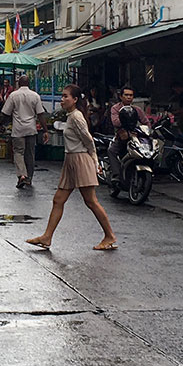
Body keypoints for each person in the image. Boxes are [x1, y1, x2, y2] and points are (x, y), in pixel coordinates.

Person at [26, 85, 118, 251]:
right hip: (70, 160)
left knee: (91, 201)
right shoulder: (71, 116)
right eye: (61, 96)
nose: (62, 99)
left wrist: (95, 161)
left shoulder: (76, 117)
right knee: (58, 200)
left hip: (81, 159)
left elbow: (88, 140)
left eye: (65, 96)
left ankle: (109, 235)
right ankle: (47, 237)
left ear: (75, 100)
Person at [0, 75, 48, 188]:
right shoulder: (35, 96)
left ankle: (22, 175)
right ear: (29, 84)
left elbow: (5, 113)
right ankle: (29, 178)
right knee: (30, 154)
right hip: (31, 129)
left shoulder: (13, 95)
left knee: (18, 152)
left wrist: (2, 124)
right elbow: (40, 114)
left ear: (18, 84)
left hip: (18, 130)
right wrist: (45, 130)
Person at [108, 85, 149, 182]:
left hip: (135, 137)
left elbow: (146, 122)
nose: (129, 97)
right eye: (126, 95)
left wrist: (147, 130)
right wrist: (125, 121)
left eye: (131, 95)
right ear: (121, 96)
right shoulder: (116, 108)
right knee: (111, 151)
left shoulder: (137, 109)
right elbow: (115, 122)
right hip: (121, 136)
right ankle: (116, 175)